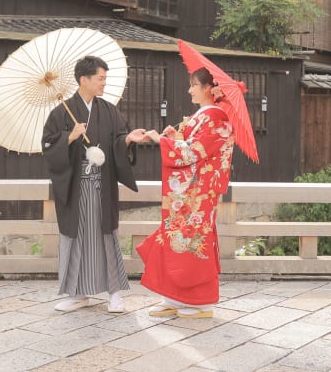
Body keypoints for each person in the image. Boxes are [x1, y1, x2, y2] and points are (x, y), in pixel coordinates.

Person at [42, 55, 148, 314]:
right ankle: (77, 294)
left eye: (104, 78)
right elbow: (47, 145)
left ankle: (114, 293)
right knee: (76, 239)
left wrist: (127, 140)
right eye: (100, 79)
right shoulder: (60, 113)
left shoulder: (109, 111)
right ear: (84, 79)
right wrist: (69, 137)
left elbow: (118, 140)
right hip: (75, 188)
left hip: (102, 187)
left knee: (106, 238)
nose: (104, 83)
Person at [136, 67, 235, 319]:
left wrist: (163, 141)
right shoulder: (206, 115)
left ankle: (200, 303)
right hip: (190, 192)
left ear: (208, 89)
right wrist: (174, 135)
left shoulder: (217, 117)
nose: (190, 90)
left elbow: (194, 150)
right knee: (174, 239)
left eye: (194, 85)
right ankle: (174, 297)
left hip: (198, 194)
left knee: (193, 244)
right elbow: (190, 142)